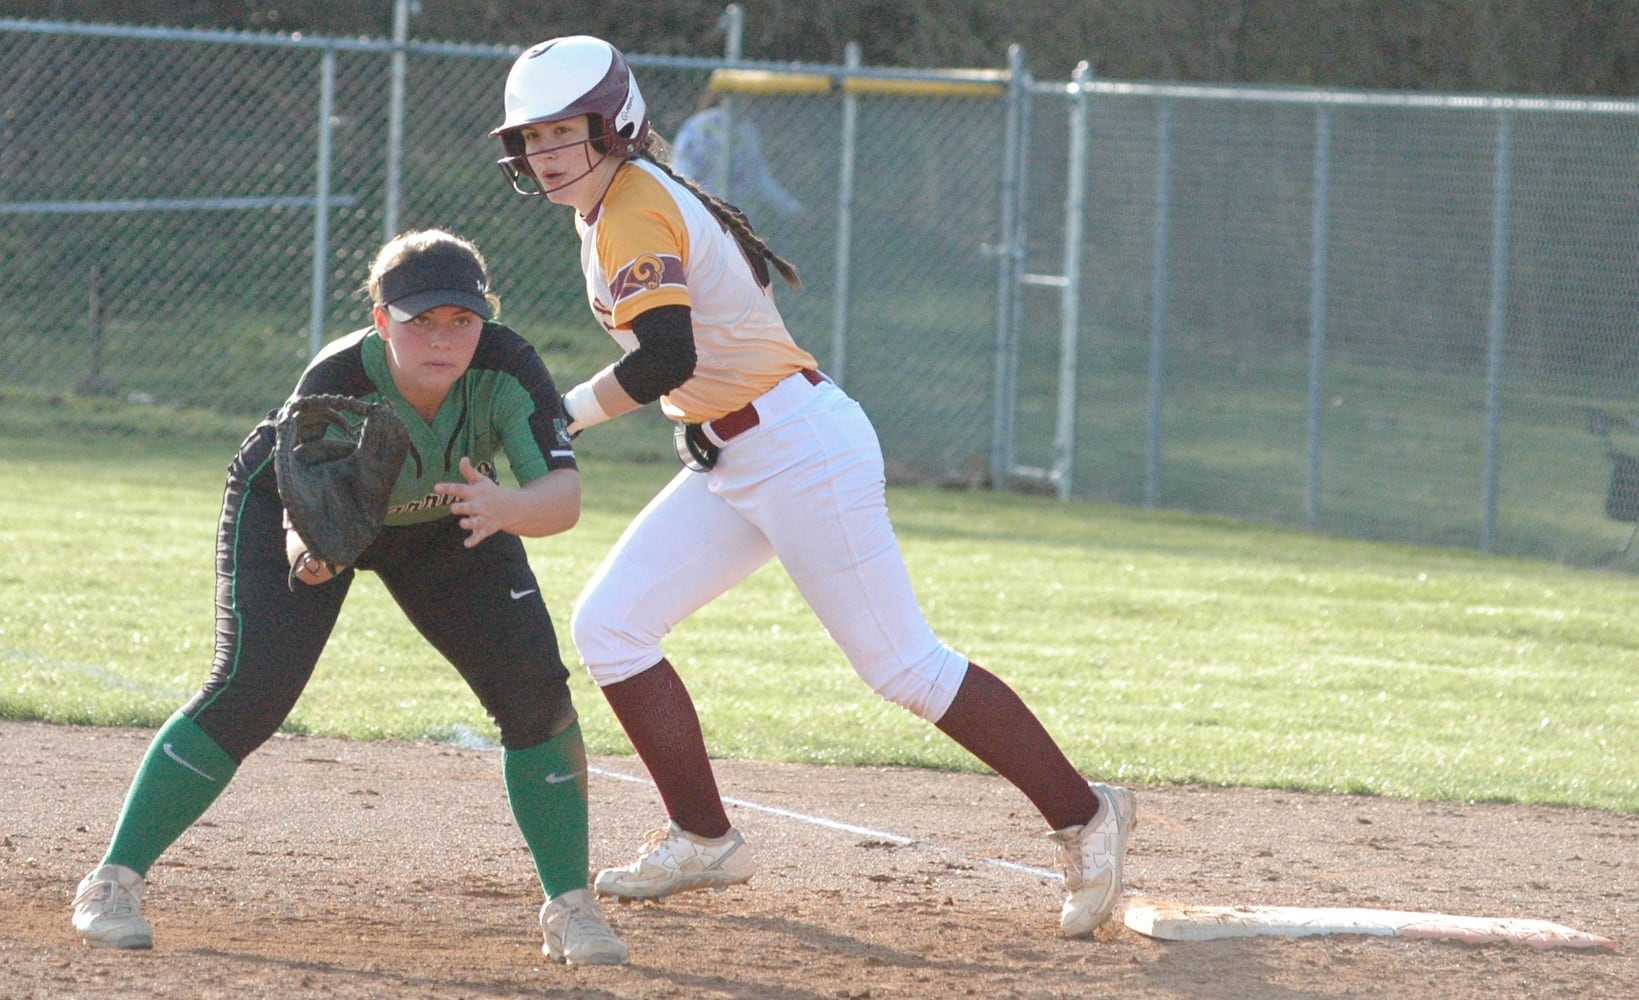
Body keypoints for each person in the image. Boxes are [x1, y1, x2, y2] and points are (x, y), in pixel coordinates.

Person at [490, 35, 1136, 939]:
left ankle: (1086, 815)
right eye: (532, 138)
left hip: (795, 446)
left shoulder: (631, 204)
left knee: (904, 667)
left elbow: (665, 356)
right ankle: (704, 836)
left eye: (567, 132)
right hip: (735, 450)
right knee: (611, 627)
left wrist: (553, 418)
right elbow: (678, 362)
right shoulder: (614, 202)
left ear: (618, 125)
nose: (546, 154)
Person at [69, 229, 629, 967]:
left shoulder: (506, 363)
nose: (442, 338)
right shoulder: (339, 376)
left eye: (461, 320)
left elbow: (561, 498)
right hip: (304, 514)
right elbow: (307, 509)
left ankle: (571, 907)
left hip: (454, 512)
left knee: (536, 695)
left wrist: (500, 508)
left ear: (483, 320)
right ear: (380, 318)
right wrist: (312, 558)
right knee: (250, 690)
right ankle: (110, 882)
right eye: (419, 320)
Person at [670, 93, 804, 218]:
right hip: (703, 213)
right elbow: (682, 172)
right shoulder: (700, 127)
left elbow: (758, 177)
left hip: (736, 219)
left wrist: (792, 209)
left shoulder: (746, 129)